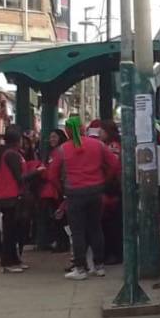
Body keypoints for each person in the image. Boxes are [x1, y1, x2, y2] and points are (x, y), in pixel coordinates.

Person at [51, 116, 119, 280]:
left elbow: (52, 174)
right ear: (83, 129)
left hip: (74, 193)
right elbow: (114, 164)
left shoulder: (62, 150)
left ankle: (80, 268)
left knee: (78, 231)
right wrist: (105, 180)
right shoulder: (98, 145)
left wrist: (62, 189)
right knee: (95, 228)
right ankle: (99, 265)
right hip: (96, 191)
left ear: (67, 131)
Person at [0, 127, 27, 273]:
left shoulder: (2, 153)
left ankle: (13, 259)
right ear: (17, 140)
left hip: (3, 196)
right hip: (12, 196)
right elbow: (19, 177)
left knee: (10, 229)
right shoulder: (12, 155)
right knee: (11, 231)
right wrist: (36, 172)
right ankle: (8, 261)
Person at [97, 120, 124, 265]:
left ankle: (114, 253)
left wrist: (105, 182)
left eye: (101, 131)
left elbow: (113, 167)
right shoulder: (108, 145)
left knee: (111, 224)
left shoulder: (112, 146)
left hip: (112, 188)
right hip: (112, 187)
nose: (99, 133)